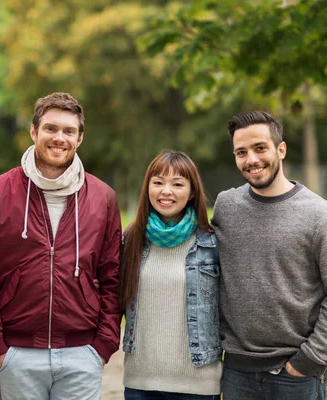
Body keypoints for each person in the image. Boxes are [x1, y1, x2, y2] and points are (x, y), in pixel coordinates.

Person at [0, 92, 122, 400]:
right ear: (33, 131)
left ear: (80, 138)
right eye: (51, 128)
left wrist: (103, 347)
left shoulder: (103, 197)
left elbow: (113, 276)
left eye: (69, 131)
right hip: (16, 355)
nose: (59, 138)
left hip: (82, 355)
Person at [212, 111, 327, 399]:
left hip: (298, 377)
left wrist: (308, 361)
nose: (251, 159)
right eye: (241, 152)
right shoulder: (226, 207)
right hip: (237, 373)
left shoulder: (318, 214)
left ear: (281, 149)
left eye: (260, 148)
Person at [119, 150, 221, 400]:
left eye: (177, 184)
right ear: (148, 188)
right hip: (140, 383)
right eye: (158, 182)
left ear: (192, 191)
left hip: (197, 385)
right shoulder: (131, 239)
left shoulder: (212, 243)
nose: (166, 191)